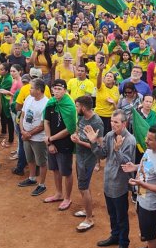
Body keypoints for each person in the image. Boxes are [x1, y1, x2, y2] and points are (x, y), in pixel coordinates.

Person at [89, 111, 136, 248]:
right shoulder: (109, 136)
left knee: (121, 216)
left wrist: (117, 150)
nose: (113, 124)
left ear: (124, 124)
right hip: (108, 181)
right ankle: (115, 236)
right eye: (111, 121)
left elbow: (126, 164)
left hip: (120, 184)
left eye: (116, 122)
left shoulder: (130, 140)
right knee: (112, 213)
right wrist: (94, 141)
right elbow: (102, 155)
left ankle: (123, 243)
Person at [70, 95, 103, 233]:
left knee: (83, 187)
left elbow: (99, 146)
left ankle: (89, 219)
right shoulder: (82, 117)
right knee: (84, 185)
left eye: (77, 106)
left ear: (83, 107)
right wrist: (75, 136)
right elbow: (78, 130)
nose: (76, 108)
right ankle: (86, 209)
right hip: (80, 156)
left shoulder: (97, 122)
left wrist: (79, 142)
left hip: (88, 159)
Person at [42, 79, 77, 211]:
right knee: (55, 169)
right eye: (54, 89)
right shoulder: (50, 103)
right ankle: (58, 193)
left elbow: (70, 129)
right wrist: (50, 142)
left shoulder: (70, 106)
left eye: (59, 89)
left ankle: (67, 197)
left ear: (65, 90)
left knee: (66, 171)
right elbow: (46, 122)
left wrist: (51, 138)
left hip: (65, 144)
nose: (56, 91)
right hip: (51, 142)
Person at [17, 78, 49, 196]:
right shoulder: (29, 98)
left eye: (32, 88)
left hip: (38, 138)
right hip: (26, 135)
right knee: (30, 158)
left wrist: (28, 134)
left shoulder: (46, 103)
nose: (29, 89)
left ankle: (42, 184)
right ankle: (32, 178)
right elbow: (22, 116)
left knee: (41, 162)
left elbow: (42, 125)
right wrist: (22, 131)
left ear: (39, 90)